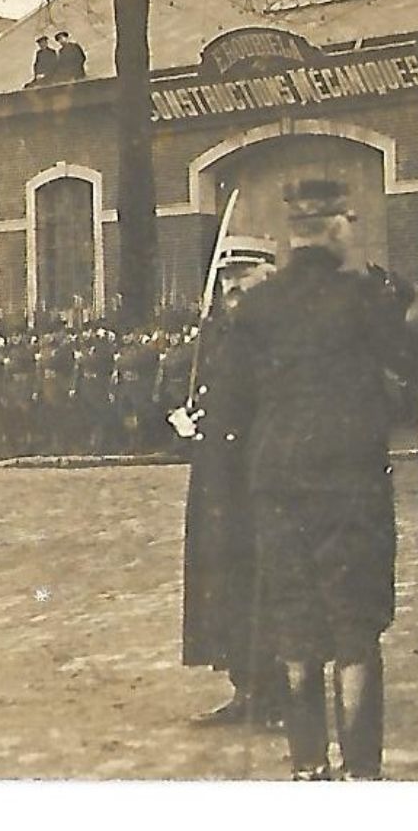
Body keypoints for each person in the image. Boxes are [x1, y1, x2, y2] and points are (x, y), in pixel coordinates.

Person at [223, 179, 412, 780]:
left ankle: (307, 765)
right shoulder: (367, 301)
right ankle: (360, 772)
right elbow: (413, 364)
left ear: (291, 233)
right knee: (355, 629)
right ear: (335, 228)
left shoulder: (254, 307)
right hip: (349, 484)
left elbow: (232, 403)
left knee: (296, 627)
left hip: (277, 484)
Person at [173, 236, 286, 730]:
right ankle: (245, 683)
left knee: (265, 579)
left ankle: (278, 691)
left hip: (259, 474)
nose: (233, 285)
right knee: (223, 579)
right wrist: (192, 418)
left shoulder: (277, 332)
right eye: (226, 277)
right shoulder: (219, 332)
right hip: (218, 476)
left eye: (244, 274)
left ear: (269, 275)